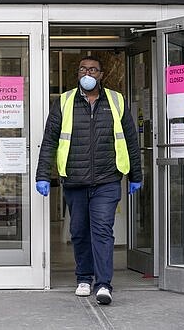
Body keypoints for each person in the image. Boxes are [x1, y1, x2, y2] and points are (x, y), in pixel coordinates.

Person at [35, 55, 142, 305]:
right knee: (79, 231)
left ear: (101, 74)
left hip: (107, 179)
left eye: (93, 69)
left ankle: (103, 284)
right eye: (83, 69)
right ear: (78, 73)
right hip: (74, 179)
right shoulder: (65, 101)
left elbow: (130, 140)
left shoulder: (116, 100)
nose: (88, 73)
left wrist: (137, 175)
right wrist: (42, 175)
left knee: (102, 230)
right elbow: (50, 139)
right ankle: (84, 277)